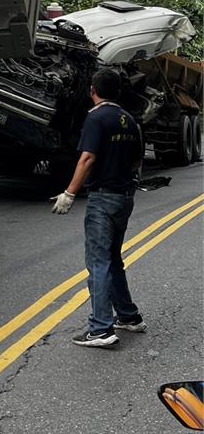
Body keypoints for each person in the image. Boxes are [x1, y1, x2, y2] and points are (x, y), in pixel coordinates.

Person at [51, 66, 146, 348]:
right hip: (124, 196)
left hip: (102, 198)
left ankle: (100, 328)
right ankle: (129, 317)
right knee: (113, 258)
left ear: (92, 90)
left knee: (98, 261)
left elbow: (87, 158)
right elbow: (137, 159)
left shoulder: (96, 118)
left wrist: (69, 193)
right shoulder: (129, 119)